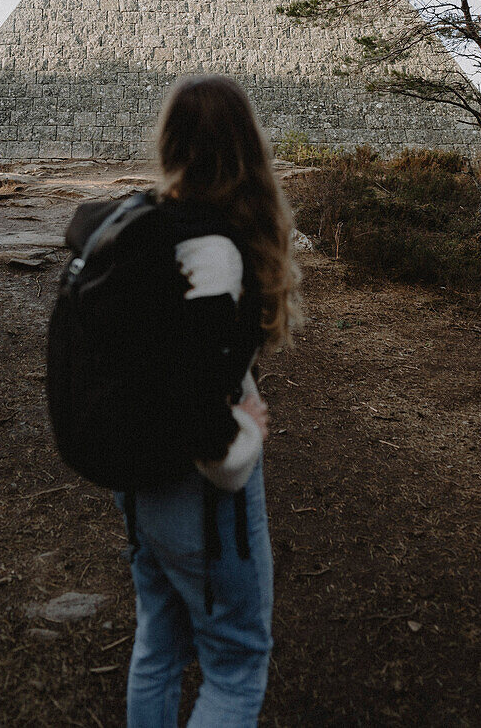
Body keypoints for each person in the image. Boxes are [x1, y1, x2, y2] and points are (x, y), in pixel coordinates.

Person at [99, 74, 300, 728]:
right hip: (200, 495)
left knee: (158, 643)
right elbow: (197, 395)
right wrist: (239, 435)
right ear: (247, 147)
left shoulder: (144, 224)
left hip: (138, 478)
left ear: (171, 140)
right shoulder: (216, 251)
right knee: (237, 664)